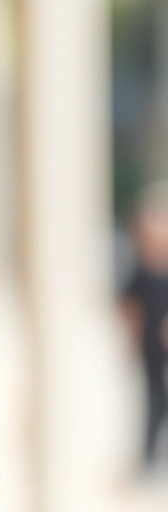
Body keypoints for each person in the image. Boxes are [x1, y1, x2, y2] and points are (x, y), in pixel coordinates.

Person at [122, 182, 168, 470]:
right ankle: (148, 454)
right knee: (152, 398)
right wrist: (129, 341)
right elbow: (129, 308)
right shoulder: (139, 269)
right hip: (150, 345)